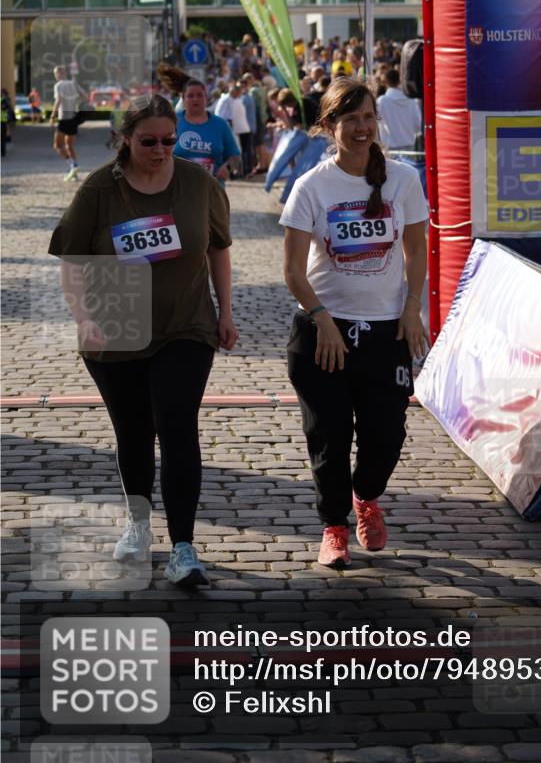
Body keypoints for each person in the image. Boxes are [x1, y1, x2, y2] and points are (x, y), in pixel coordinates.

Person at [48, 95, 238, 588]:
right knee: (133, 432)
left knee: (177, 427)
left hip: (186, 322)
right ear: (126, 139)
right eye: (148, 141)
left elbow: (218, 247)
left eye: (169, 141)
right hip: (118, 317)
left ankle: (183, 547)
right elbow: (71, 261)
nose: (159, 150)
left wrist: (227, 313)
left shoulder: (199, 185)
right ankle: (137, 524)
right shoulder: (98, 190)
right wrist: (84, 317)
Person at [280, 77, 430, 568]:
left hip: (386, 330)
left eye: (369, 117)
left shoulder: (403, 180)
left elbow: (415, 248)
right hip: (323, 334)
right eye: (351, 120)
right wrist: (321, 319)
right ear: (329, 126)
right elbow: (292, 271)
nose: (363, 128)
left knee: (386, 435)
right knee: (329, 435)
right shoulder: (311, 186)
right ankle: (335, 526)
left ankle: (366, 497)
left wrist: (412, 307)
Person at [175, 77, 240, 184]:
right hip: (179, 190)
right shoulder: (173, 121)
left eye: (200, 95)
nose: (195, 99)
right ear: (183, 98)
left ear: (206, 98)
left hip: (212, 190)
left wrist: (227, 167)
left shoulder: (221, 125)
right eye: (190, 96)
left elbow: (235, 157)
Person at [51, 66, 86, 181]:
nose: (56, 76)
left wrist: (52, 115)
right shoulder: (73, 83)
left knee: (57, 146)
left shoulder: (58, 85)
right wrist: (75, 102)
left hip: (63, 118)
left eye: (56, 74)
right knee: (69, 146)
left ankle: (73, 166)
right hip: (73, 118)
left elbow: (58, 100)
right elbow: (84, 96)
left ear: (58, 74)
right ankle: (74, 171)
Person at [376, 68, 422, 151]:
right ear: (399, 81)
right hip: (409, 147)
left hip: (390, 148)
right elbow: (418, 124)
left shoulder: (382, 101)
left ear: (386, 82)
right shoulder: (411, 100)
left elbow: (375, 123)